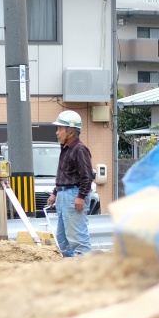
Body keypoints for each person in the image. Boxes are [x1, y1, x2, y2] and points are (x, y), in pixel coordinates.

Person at [49, 110, 93, 257]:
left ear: (71, 131)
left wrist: (81, 196)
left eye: (60, 129)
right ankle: (71, 271)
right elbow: (64, 174)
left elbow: (87, 175)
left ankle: (87, 271)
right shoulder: (65, 148)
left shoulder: (79, 149)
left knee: (78, 239)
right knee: (63, 240)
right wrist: (55, 193)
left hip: (73, 195)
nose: (57, 132)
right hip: (64, 195)